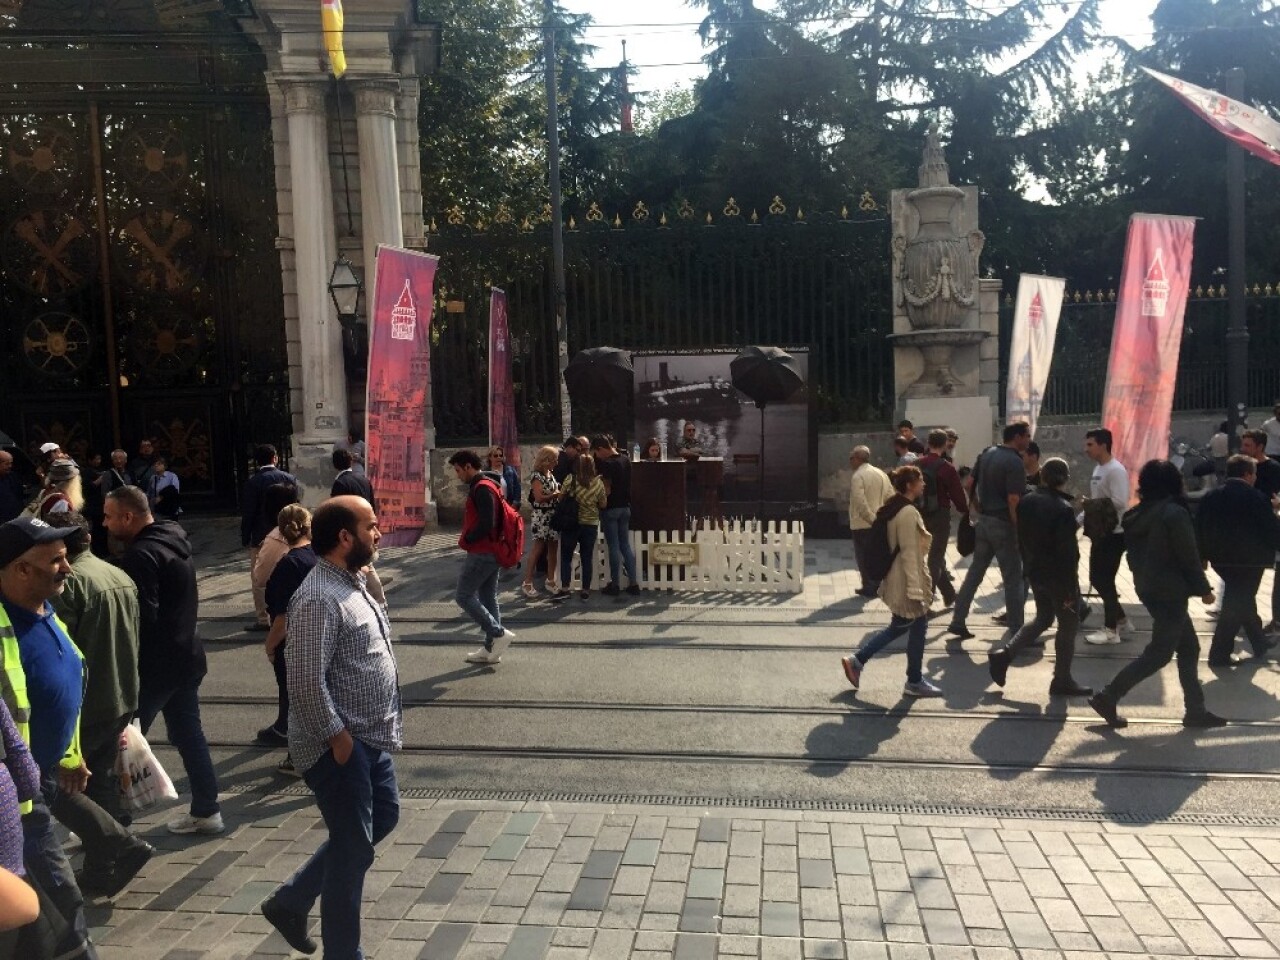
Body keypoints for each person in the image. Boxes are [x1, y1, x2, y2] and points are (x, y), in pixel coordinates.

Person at [260, 497, 402, 960]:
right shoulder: (318, 596)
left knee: (383, 818)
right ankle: (344, 954)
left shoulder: (354, 580)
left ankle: (292, 900)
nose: (378, 535)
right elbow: (303, 679)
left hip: (369, 738)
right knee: (352, 853)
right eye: (372, 527)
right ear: (345, 537)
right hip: (340, 743)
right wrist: (338, 741)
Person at [0, 516, 98, 959]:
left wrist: (71, 753)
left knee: (45, 904)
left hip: (43, 778)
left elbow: (67, 684)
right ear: (21, 569)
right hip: (19, 794)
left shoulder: (46, 609)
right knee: (60, 898)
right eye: (56, 560)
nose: (68, 568)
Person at [44, 512, 153, 897]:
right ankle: (104, 862)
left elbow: (60, 650)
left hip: (86, 704)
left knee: (59, 785)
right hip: (121, 692)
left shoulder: (69, 585)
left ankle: (115, 848)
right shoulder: (117, 574)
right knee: (99, 780)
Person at [104, 486, 222, 835]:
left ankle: (111, 825)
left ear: (128, 516)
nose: (105, 523)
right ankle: (207, 809)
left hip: (156, 668)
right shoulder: (173, 538)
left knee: (119, 743)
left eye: (109, 516)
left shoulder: (141, 555)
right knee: (189, 734)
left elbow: (143, 618)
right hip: (186, 657)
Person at [1088, 460, 1225, 729]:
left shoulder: (1136, 514)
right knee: (1159, 653)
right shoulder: (1173, 513)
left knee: (1189, 647)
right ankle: (1108, 696)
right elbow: (1188, 557)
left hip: (1150, 588)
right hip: (1171, 591)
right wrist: (1205, 590)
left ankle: (1195, 709)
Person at [987, 458, 1091, 697]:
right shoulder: (1063, 509)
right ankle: (1062, 679)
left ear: (1042, 476)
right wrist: (1072, 585)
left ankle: (1005, 655)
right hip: (1059, 578)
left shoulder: (1027, 501)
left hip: (1035, 571)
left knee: (1043, 618)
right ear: (1065, 479)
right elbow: (1068, 553)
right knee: (1068, 625)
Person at [839, 466, 943, 698]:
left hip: (899, 575)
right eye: (920, 480)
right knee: (900, 626)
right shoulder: (906, 513)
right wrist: (917, 589)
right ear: (909, 485)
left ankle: (914, 679)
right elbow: (908, 552)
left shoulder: (895, 506)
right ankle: (858, 660)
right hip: (904, 579)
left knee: (917, 626)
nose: (923, 484)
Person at [947, 422, 1031, 640]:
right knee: (1013, 578)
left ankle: (958, 620)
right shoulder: (1014, 461)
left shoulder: (987, 453)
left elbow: (968, 484)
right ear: (1018, 437)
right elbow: (1014, 499)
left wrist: (977, 507)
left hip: (984, 522)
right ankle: (1016, 630)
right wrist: (1019, 528)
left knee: (975, 573)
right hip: (1004, 524)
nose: (1029, 440)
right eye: (1027, 436)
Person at [1195, 455, 1280, 667]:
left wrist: (1202, 555)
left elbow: (1199, 527)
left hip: (1221, 559)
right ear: (1247, 474)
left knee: (1242, 597)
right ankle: (1219, 654)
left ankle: (1259, 641)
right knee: (1236, 602)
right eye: (1254, 474)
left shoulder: (1211, 496)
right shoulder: (1257, 497)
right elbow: (1270, 529)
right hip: (1250, 560)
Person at [261, 505, 317, 778]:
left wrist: (270, 645)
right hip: (319, 635)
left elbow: (281, 617)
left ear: (281, 532)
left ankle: (298, 757)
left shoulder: (288, 564)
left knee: (294, 698)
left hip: (294, 642)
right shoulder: (319, 556)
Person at [448, 450, 516, 665]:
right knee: (488, 597)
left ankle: (497, 633)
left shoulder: (482, 488)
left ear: (468, 466)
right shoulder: (490, 484)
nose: (458, 475)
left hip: (482, 551)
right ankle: (490, 649)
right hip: (491, 550)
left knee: (463, 596)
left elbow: (487, 522)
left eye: (458, 470)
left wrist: (469, 536)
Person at [241, 444, 298, 632]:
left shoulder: (253, 482)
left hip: (261, 535)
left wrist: (246, 535)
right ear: (275, 457)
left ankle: (263, 618)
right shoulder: (289, 478)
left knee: (259, 578)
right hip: (289, 534)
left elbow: (248, 512)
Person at [1081, 427, 1130, 646]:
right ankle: (1120, 618)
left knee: (1103, 579)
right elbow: (1097, 499)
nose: (1086, 449)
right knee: (1098, 579)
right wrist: (1080, 517)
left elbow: (1120, 501)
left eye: (1090, 444)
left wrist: (1090, 506)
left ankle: (1111, 629)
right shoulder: (1098, 469)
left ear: (1103, 444)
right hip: (1100, 532)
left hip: (1114, 533)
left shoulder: (1115, 470)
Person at [914, 430, 966, 607]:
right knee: (935, 558)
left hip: (919, 513)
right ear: (945, 445)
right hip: (941, 515)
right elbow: (957, 495)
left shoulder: (917, 464)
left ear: (928, 443)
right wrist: (964, 510)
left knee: (932, 557)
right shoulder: (947, 467)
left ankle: (949, 594)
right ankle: (926, 602)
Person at [250, 484, 302, 654]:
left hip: (288, 613)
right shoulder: (312, 529)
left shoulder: (274, 538)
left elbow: (260, 577)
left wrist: (271, 647)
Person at [553, 451, 607, 602]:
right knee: (586, 557)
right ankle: (585, 590)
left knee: (566, 557)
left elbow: (561, 497)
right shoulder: (598, 483)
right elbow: (603, 504)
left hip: (571, 523)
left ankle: (565, 588)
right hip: (590, 524)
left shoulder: (571, 479)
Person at [593, 436, 639, 596]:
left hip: (611, 508)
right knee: (625, 545)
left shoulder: (607, 464)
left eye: (596, 453)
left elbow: (606, 489)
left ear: (601, 449)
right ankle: (634, 583)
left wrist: (599, 500)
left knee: (613, 545)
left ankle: (615, 584)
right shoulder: (626, 460)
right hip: (625, 507)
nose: (597, 457)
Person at [848, 446, 893, 598]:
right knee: (875, 555)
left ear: (858, 458)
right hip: (878, 522)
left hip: (863, 523)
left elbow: (860, 502)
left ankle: (869, 586)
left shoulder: (858, 476)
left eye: (851, 458)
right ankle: (876, 584)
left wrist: (871, 518)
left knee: (863, 556)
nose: (850, 461)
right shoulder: (880, 473)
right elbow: (890, 496)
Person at [522, 446, 561, 599]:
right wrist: (556, 494)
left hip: (552, 513)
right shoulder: (537, 476)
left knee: (553, 546)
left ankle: (550, 580)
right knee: (538, 547)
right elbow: (538, 497)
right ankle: (527, 581)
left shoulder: (550, 474)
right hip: (542, 515)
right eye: (554, 460)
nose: (556, 463)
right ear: (546, 460)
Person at [0, 451, 24, 524]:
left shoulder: (12, 476)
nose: (10, 466)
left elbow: (19, 494)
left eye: (11, 463)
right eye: (7, 464)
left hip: (16, 518)